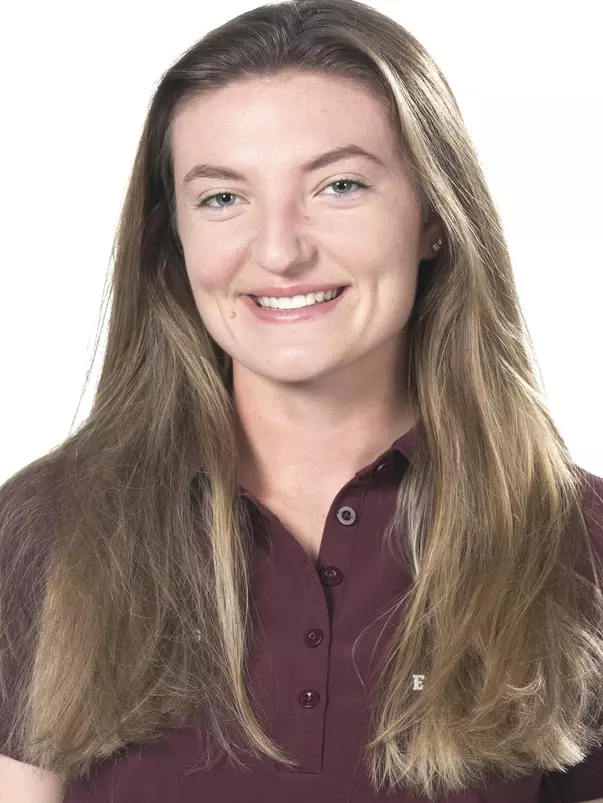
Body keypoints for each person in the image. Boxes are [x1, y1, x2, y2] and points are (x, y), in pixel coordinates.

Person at [1, 1, 602, 801]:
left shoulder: (575, 541)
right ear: (171, 239)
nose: (280, 249)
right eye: (222, 197)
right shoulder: (50, 528)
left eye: (339, 185)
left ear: (432, 215)